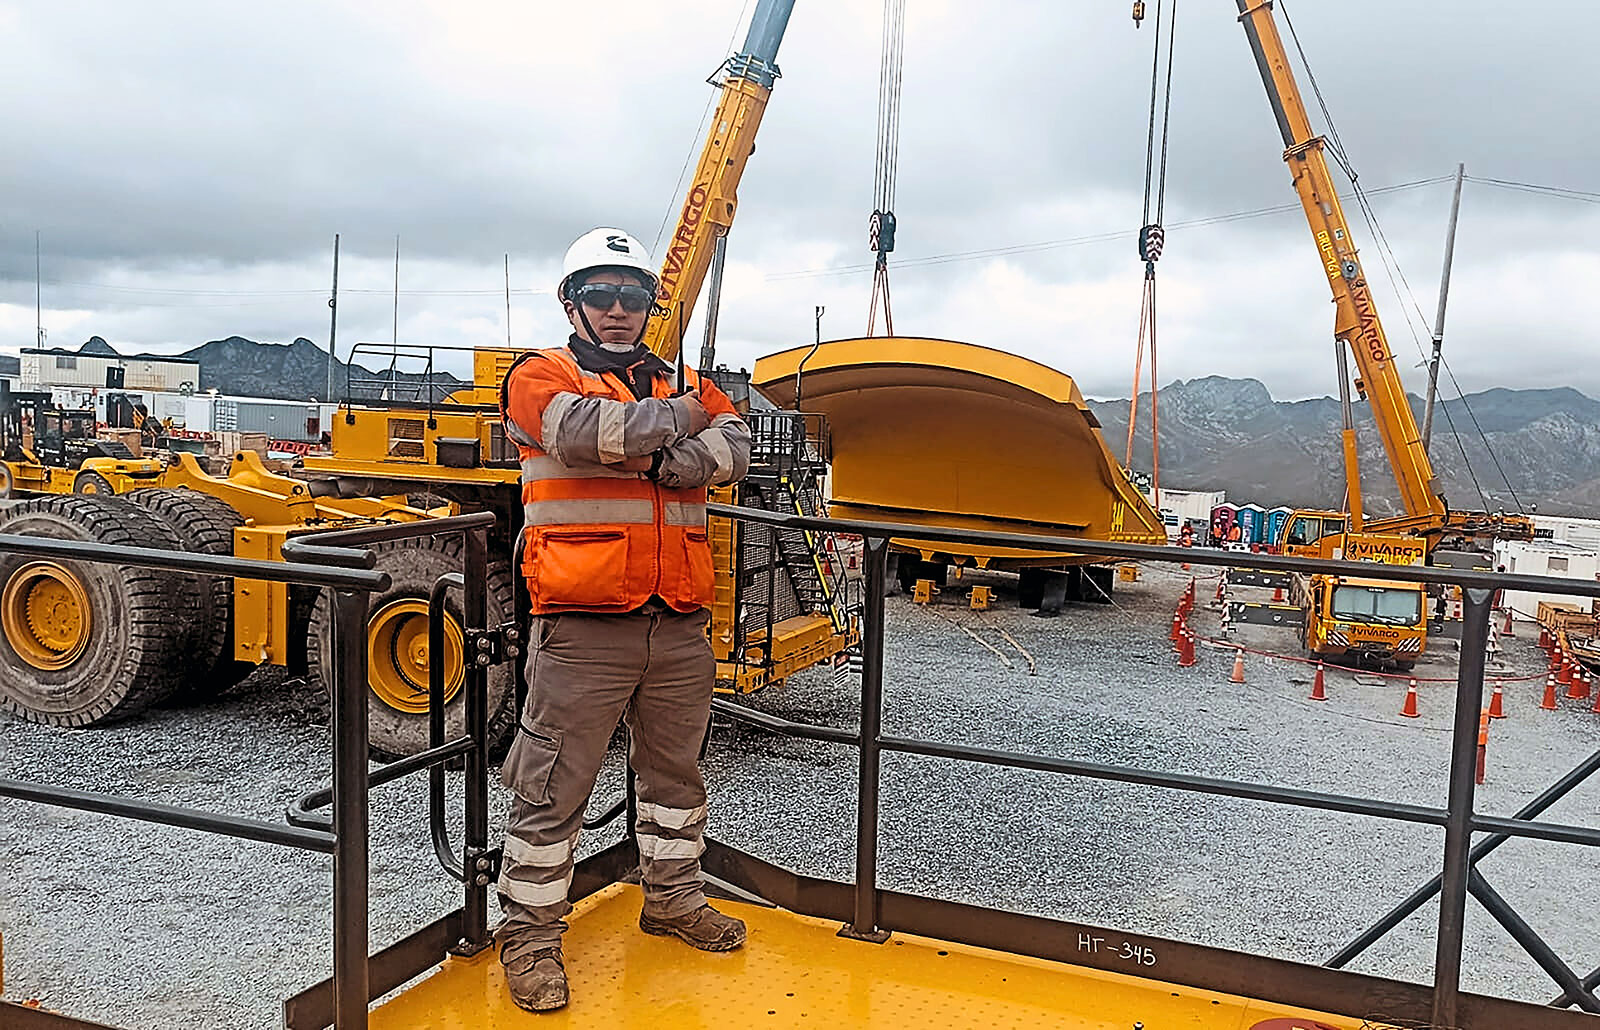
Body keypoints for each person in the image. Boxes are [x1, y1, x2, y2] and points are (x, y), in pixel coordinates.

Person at [494, 227, 753, 1013]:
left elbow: (736, 443)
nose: (617, 310)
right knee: (551, 786)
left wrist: (674, 451)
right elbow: (581, 433)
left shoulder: (679, 380)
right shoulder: (541, 374)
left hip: (675, 621)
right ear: (572, 304)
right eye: (600, 295)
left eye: (632, 296)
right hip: (582, 623)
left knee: (676, 775)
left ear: (649, 305)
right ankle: (531, 938)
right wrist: (679, 422)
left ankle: (672, 898)